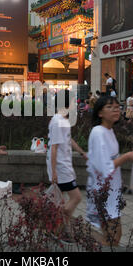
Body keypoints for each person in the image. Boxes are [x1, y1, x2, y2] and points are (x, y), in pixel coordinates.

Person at [86, 96, 133, 247]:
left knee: (112, 236)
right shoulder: (98, 132)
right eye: (110, 107)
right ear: (100, 113)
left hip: (110, 192)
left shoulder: (108, 131)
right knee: (113, 236)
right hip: (103, 192)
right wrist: (127, 156)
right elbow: (105, 167)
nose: (116, 109)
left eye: (117, 106)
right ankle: (84, 239)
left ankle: (87, 240)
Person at [47, 89, 88, 243]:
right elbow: (54, 148)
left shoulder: (62, 120)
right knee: (76, 197)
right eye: (73, 101)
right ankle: (56, 228)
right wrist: (54, 172)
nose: (75, 104)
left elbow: (69, 140)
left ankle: (58, 228)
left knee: (63, 200)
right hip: (61, 168)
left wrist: (82, 152)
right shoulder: (58, 121)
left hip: (63, 166)